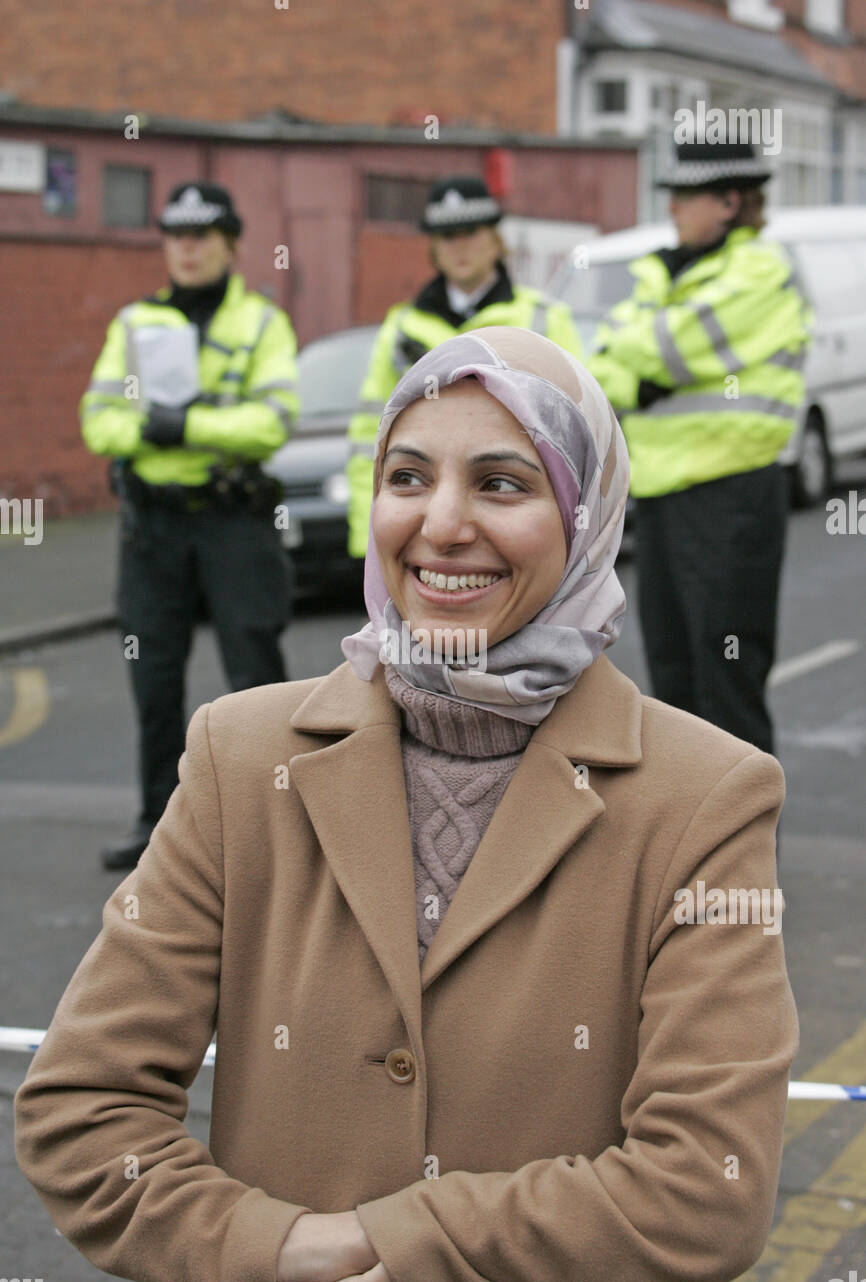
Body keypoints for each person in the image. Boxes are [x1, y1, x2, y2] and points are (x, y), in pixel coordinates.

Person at [16, 328, 798, 1282]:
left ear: (587, 518)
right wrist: (272, 1246)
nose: (441, 522)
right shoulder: (240, 755)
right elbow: (83, 1105)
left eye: (502, 484)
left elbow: (703, 1193)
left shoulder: (705, 795)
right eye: (407, 476)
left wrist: (391, 1243)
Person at [80, 182, 300, 870]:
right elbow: (97, 420)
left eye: (203, 235)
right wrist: (166, 428)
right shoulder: (133, 323)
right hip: (153, 530)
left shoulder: (263, 323)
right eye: (176, 235)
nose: (189, 247)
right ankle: (156, 822)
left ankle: (274, 825)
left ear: (231, 244)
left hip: (234, 521)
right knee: (153, 674)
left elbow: (272, 423)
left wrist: (181, 425)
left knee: (254, 672)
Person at [589, 140, 810, 757]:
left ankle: (743, 851)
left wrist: (648, 372)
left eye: (687, 196)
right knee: (672, 682)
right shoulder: (662, 271)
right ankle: (684, 849)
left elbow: (667, 349)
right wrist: (646, 379)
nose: (674, 208)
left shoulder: (761, 269)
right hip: (661, 495)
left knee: (727, 683)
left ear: (730, 201)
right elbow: (607, 363)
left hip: (730, 493)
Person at [345, 174, 583, 558]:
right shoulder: (400, 327)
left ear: (495, 240)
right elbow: (369, 437)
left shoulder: (544, 318)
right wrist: (369, 536)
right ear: (434, 248)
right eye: (447, 236)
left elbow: (575, 431)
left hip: (516, 507)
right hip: (428, 515)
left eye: (471, 232)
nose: (460, 247)